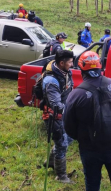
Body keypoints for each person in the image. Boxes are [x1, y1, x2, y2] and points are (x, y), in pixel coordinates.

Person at [64, 51, 111, 191]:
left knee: (92, 183)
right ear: (100, 67)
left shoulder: (76, 94)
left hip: (90, 147)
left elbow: (68, 125)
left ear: (81, 70)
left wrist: (81, 137)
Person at [42, 50, 75, 183]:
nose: (72, 65)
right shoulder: (51, 81)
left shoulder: (66, 72)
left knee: (71, 137)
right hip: (53, 116)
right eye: (70, 62)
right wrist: (74, 110)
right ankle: (61, 176)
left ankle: (50, 161)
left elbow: (70, 90)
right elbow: (56, 105)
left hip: (66, 113)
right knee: (62, 144)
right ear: (62, 63)